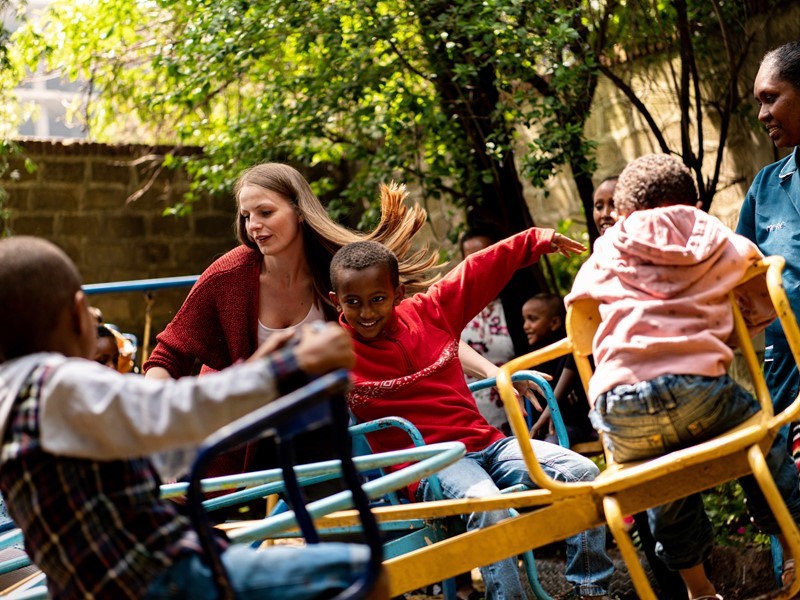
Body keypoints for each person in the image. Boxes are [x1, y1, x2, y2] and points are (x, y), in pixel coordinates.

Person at [0, 235, 383, 600]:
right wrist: (287, 367)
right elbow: (170, 409)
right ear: (76, 314)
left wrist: (254, 373)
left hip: (89, 587)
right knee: (359, 569)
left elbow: (157, 444)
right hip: (164, 577)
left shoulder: (13, 398)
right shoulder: (59, 382)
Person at [329, 233, 614, 600]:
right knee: (489, 505)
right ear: (337, 301)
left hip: (486, 444)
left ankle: (589, 591)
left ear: (397, 294)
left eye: (378, 300)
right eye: (354, 303)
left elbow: (475, 271)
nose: (366, 313)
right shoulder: (335, 351)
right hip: (432, 463)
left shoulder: (429, 313)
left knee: (583, 474)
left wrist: (534, 240)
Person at [567, 153, 800, 599]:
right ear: (693, 202)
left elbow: (580, 308)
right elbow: (759, 280)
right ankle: (792, 549)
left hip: (620, 408)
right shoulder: (711, 235)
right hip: (699, 390)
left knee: (662, 484)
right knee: (762, 442)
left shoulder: (609, 247)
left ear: (621, 211)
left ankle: (698, 589)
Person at [143, 164, 440, 488]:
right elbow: (167, 357)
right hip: (234, 439)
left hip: (316, 438)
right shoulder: (227, 277)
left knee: (340, 514)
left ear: (300, 211)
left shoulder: (340, 272)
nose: (254, 225)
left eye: (266, 212)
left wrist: (484, 371)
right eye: (246, 216)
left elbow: (418, 327)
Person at [459, 226, 519, 435]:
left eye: (485, 254)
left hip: (516, 410)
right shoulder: (456, 307)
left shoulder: (517, 305)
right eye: (470, 258)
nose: (478, 263)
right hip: (469, 416)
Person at [521, 293, 596, 445]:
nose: (526, 326)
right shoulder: (532, 356)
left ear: (554, 322)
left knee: (551, 445)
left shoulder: (572, 352)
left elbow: (560, 392)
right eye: (525, 320)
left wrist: (548, 415)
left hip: (578, 424)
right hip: (546, 427)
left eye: (533, 319)